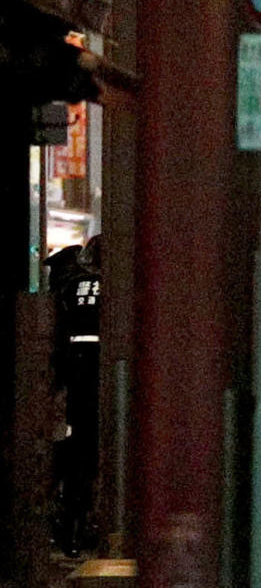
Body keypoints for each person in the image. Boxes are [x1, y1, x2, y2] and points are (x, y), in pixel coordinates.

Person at [52, 234, 102, 557]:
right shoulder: (110, 286)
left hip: (75, 383)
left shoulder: (71, 289)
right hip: (100, 379)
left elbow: (59, 335)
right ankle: (84, 527)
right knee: (90, 458)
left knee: (75, 461)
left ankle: (69, 529)